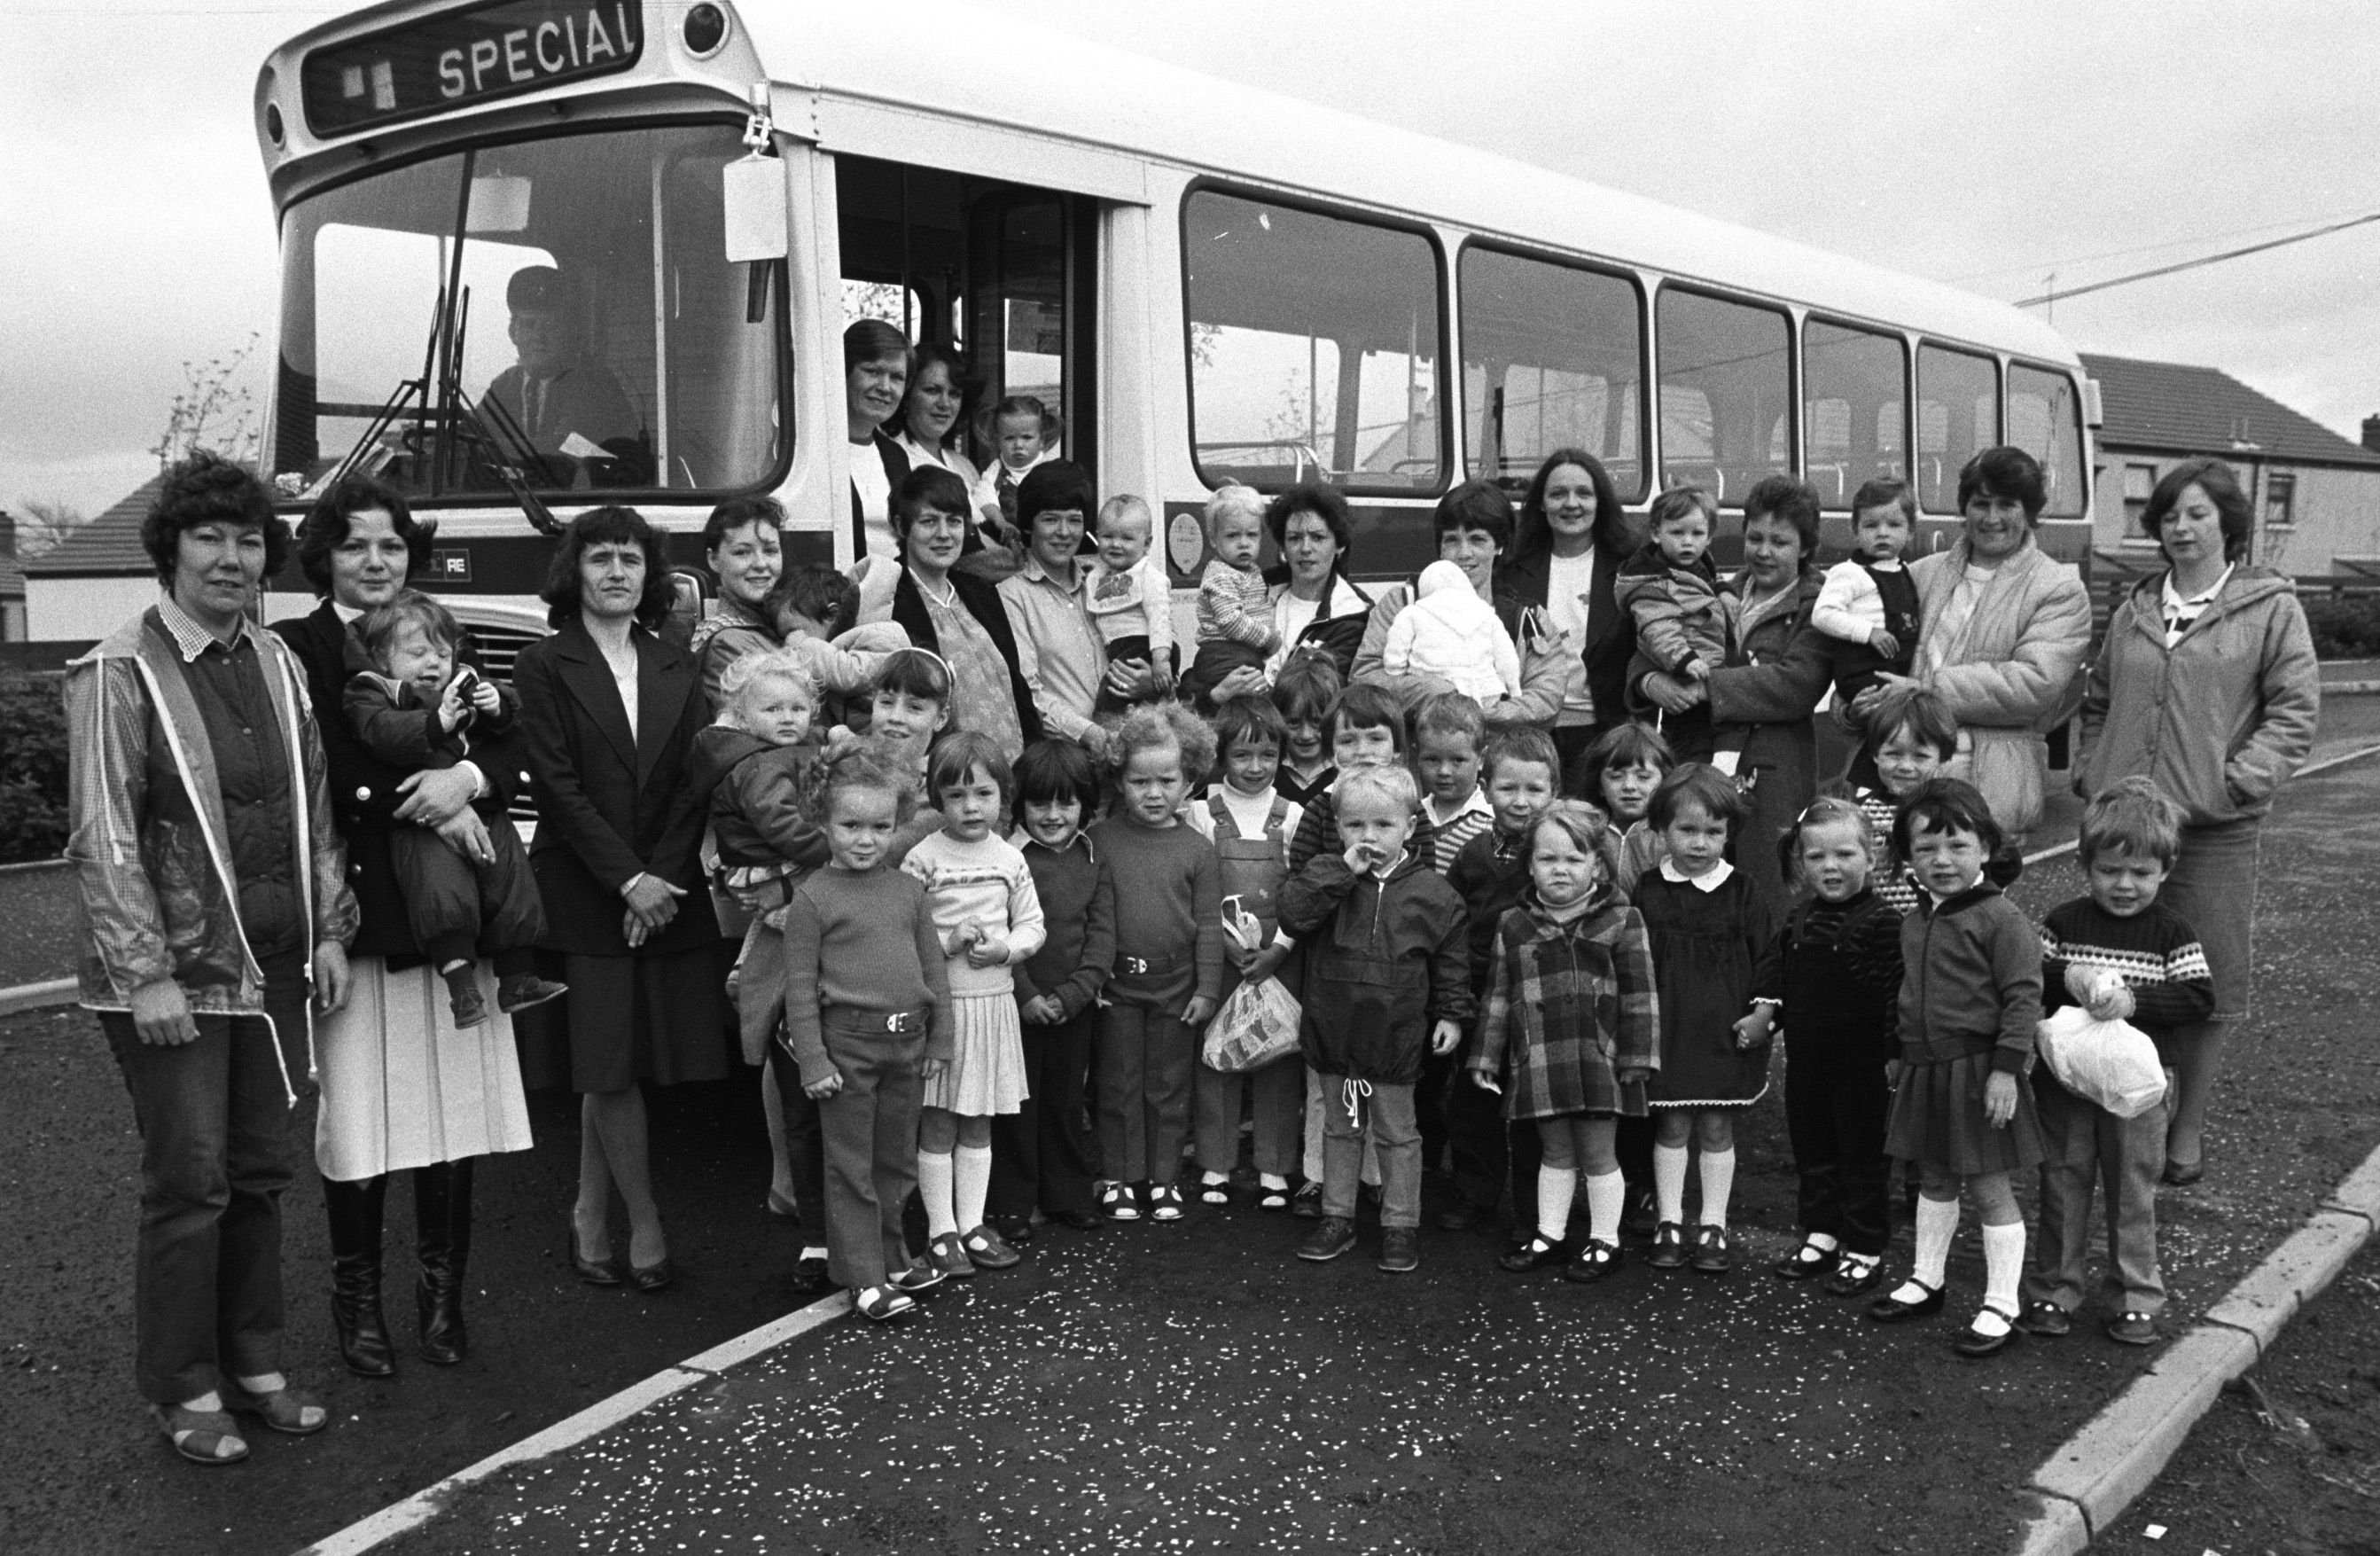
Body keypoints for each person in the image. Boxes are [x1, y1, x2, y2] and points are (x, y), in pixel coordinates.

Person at [67, 450, 356, 1463]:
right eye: (209, 538)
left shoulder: (275, 662)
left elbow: (312, 804)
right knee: (188, 1184)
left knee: (261, 1172)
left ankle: (258, 1362)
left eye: (246, 539)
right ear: (170, 551)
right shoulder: (120, 668)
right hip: (175, 980)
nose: (231, 558)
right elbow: (104, 834)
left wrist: (329, 927)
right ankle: (183, 1388)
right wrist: (143, 971)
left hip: (274, 964)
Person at [275, 474, 530, 1382]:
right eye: (356, 545)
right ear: (325, 556)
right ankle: (358, 1305)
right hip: (359, 911)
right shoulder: (296, 646)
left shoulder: (435, 630)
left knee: (452, 1114)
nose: (376, 562)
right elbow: (329, 764)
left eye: (390, 545)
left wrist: (473, 785)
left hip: (454, 906)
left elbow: (503, 738)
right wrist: (423, 800)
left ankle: (441, 1301)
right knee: (360, 1118)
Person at [2076, 456, 2318, 1185]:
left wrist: (2238, 780)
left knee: (2203, 980)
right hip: (2124, 827)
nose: (2180, 528)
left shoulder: (2270, 607)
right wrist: (2093, 772)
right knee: (2117, 964)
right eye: (2169, 516)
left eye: (2196, 514)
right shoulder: (2132, 609)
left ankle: (2185, 1128)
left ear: (2227, 524)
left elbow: (2295, 711)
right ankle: (2123, 1109)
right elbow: (2096, 700)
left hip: (2213, 830)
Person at [513, 506, 726, 1295]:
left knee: (621, 1060)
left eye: (630, 560)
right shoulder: (544, 665)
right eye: (600, 557)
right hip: (584, 887)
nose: (615, 572)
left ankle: (586, 1211)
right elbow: (557, 788)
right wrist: (626, 880)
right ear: (576, 571)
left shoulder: (676, 662)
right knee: (606, 1065)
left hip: (663, 888)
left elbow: (691, 780)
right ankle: (644, 1222)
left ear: (650, 575)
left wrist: (659, 877)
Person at [2019, 778, 2214, 1348]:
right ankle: (2054, 1288)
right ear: (2085, 865)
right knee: (2062, 1182)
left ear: (2165, 870)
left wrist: (2134, 1000)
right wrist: (2072, 978)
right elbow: (2035, 976)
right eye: (2109, 871)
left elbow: (2199, 998)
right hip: (2065, 1085)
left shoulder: (2171, 932)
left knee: (2133, 1190)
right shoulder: (2064, 922)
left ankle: (2135, 1296)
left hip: (2139, 1093)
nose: (2124, 885)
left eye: (2141, 873)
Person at [776, 747, 956, 1323]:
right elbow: (800, 989)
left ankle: (893, 1255)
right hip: (846, 1051)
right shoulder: (812, 898)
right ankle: (862, 1275)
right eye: (850, 825)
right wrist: (813, 1061)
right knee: (850, 1166)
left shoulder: (907, 891)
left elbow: (934, 975)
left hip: (906, 1046)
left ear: (897, 822)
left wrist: (939, 1042)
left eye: (880, 826)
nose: (865, 839)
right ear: (822, 821)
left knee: (895, 1161)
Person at [1868, 778, 2044, 1359]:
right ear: (1906, 857)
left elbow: (2023, 996)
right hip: (1925, 1070)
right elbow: (1907, 991)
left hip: (1979, 1072)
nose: (1940, 860)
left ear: (1986, 847)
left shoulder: (2001, 918)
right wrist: (1899, 1048)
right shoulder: (1915, 919)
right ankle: (1926, 1278)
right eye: (1924, 849)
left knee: (1991, 1188)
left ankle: (2000, 1303)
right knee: (1933, 1177)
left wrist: (2004, 1071)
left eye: (1956, 846)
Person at [1280, 764, 1473, 1274]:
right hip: (1334, 1025)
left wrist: (1452, 1015)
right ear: (1338, 826)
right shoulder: (1327, 877)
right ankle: (1337, 1218)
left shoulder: (1433, 893)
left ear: (1410, 826)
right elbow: (1294, 915)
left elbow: (1452, 963)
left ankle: (1400, 1225)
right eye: (1355, 826)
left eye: (1383, 826)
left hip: (1395, 1032)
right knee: (1341, 1127)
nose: (1369, 837)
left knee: (1397, 1132)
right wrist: (1340, 871)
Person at [341, 590, 562, 1027]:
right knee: (440, 890)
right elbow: (381, 732)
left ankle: (518, 976)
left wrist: (498, 708)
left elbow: (508, 729)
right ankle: (461, 989)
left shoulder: (460, 683)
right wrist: (437, 721)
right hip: (421, 821)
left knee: (511, 875)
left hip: (481, 808)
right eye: (418, 652)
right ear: (383, 659)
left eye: (443, 653)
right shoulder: (372, 690)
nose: (434, 664)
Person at [1853, 447, 2092, 847]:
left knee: (1968, 907)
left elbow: (2032, 684)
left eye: (2007, 504)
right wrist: (1855, 704)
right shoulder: (1922, 572)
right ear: (1964, 508)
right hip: (1893, 789)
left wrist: (1921, 691)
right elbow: (1871, 655)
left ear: (2030, 512)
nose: (1992, 518)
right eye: (1980, 503)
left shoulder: (2058, 589)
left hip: (1984, 796)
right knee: (1888, 905)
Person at [687, 649, 833, 1291]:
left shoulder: (777, 753)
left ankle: (826, 1227)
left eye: (798, 708)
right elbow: (782, 824)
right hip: (784, 883)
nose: (787, 718)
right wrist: (841, 850)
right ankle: (819, 1227)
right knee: (800, 1066)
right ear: (741, 714)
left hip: (780, 890)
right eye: (772, 708)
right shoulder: (759, 762)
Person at [1469, 802, 1658, 1283]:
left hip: (1600, 1058)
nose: (1560, 869)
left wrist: (1639, 1055)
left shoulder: (1622, 919)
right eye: (1548, 859)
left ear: (1597, 863)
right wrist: (1486, 1056)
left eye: (1574, 859)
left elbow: (1641, 994)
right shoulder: (1513, 924)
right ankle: (1550, 1235)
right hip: (1538, 1058)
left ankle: (1605, 1241)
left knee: (1598, 1153)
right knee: (1555, 1151)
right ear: (1530, 864)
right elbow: (1497, 994)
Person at [1647, 474, 1832, 917]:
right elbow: (1650, 642)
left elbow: (1795, 685)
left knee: (1767, 890)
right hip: (1701, 756)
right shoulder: (1714, 588)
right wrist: (1650, 683)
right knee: (1694, 884)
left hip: (1773, 772)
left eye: (1780, 542)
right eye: (1755, 538)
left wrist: (1706, 685)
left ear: (1805, 548)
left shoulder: (1818, 606)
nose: (1764, 551)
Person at [1743, 797, 1904, 1298]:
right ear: (1801, 861)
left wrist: (1897, 1053)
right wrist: (1765, 1015)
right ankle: (1822, 1232)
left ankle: (1865, 1247)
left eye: (1845, 855)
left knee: (1863, 1155)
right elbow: (1778, 973)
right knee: (1813, 1147)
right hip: (1807, 1059)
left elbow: (1898, 994)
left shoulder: (1884, 923)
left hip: (1863, 1064)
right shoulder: (1800, 916)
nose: (1830, 867)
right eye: (1817, 858)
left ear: (1872, 857)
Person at [903, 732, 1047, 1278]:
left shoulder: (1010, 858)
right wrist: (949, 942)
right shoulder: (922, 859)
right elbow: (903, 934)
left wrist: (1005, 948)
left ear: (1001, 796)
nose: (970, 807)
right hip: (944, 1008)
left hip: (994, 1006)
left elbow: (1032, 925)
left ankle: (971, 1225)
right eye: (957, 795)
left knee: (979, 1119)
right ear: (937, 798)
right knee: (938, 1118)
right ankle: (940, 1231)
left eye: (983, 794)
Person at [1634, 765, 1778, 1277]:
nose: (1699, 843)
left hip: (1724, 1027)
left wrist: (1763, 1014)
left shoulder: (1744, 892)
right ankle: (1670, 1220)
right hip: (1667, 1029)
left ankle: (1714, 1221)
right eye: (1686, 830)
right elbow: (1630, 960)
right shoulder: (1648, 891)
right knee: (1672, 1123)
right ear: (1661, 829)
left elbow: (1769, 960)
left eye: (1713, 832)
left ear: (1729, 833)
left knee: (1717, 1124)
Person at [1089, 702, 1224, 1224]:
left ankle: (1164, 1179)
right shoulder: (1100, 841)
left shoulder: (1197, 849)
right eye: (1139, 781)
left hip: (1177, 986)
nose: (1153, 792)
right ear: (1120, 779)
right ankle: (1120, 1177)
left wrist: (1206, 990)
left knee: (1168, 1086)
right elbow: (1089, 917)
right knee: (1119, 1084)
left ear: (1189, 778)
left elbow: (1209, 925)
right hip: (1117, 986)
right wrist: (1094, 977)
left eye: (1166, 780)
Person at [990, 739, 1114, 1239]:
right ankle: (1013, 1203)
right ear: (1020, 805)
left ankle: (1067, 1194)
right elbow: (997, 929)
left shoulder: (1092, 858)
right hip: (1017, 1003)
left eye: (1066, 802)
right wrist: (1027, 995)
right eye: (1040, 803)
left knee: (1065, 1103)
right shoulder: (1008, 857)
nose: (1054, 814)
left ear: (1086, 803)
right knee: (1017, 1105)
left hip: (1073, 1005)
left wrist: (1074, 995)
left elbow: (1102, 934)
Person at [1442, 729, 1563, 1237]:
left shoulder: (1562, 852)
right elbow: (1451, 923)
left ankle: (1537, 1212)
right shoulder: (1471, 854)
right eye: (1509, 788)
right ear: (1486, 788)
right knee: (1475, 1100)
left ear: (1554, 791)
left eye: (1535, 790)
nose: (1521, 801)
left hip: (1539, 995)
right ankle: (1476, 1192)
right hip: (1478, 993)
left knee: (1538, 1107)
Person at [1186, 697, 1305, 1211]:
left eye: (1268, 754)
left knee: (1277, 1054)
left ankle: (1275, 1166)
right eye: (1242, 756)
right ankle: (1215, 1161)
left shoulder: (1294, 815)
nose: (1255, 768)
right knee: (1219, 1054)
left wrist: (1277, 952)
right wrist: (1227, 949)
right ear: (1221, 757)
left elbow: (1302, 895)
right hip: (1222, 953)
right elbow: (1194, 890)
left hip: (1278, 958)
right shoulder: (1198, 812)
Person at [1352, 479, 1569, 731]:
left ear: (1499, 546)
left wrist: (1475, 710)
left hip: (1496, 762)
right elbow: (1364, 678)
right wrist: (1436, 693)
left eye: (1477, 540)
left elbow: (1546, 699)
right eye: (1452, 540)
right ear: (1440, 548)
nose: (1464, 553)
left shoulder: (1529, 618)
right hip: (1421, 759)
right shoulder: (1402, 603)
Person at [883, 465, 1041, 764]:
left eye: (954, 522)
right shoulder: (890, 599)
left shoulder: (981, 592)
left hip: (1011, 774)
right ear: (902, 527)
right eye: (929, 522)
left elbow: (1017, 687)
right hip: (945, 782)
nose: (944, 534)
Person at [1499, 450, 1642, 770]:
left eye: (1584, 493)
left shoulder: (1630, 566)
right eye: (1558, 494)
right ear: (1541, 503)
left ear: (1600, 502)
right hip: (1531, 735)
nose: (1571, 504)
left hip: (1606, 735)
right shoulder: (1512, 568)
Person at [1200, 482, 1379, 706]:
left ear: (1340, 545)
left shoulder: (1355, 615)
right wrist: (1215, 696)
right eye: (1294, 538)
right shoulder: (1253, 589)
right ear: (1283, 548)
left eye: (1317, 537)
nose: (1305, 548)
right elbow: (1198, 671)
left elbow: (1326, 697)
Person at [483, 265, 646, 485]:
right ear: (513, 333)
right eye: (530, 325)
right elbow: (475, 430)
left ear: (568, 331)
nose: (539, 338)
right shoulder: (505, 385)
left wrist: (488, 445)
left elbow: (565, 446)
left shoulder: (593, 384)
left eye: (550, 325)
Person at [1616, 486, 1741, 769]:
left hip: (1711, 674)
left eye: (1697, 534)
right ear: (1656, 533)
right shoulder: (1652, 582)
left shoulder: (1699, 565)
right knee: (1684, 754)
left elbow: (1711, 579)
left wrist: (1724, 591)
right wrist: (1684, 659)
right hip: (1684, 673)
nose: (1688, 542)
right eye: (1677, 533)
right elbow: (1658, 627)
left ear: (1709, 537)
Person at [1832, 685, 1958, 918]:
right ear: (1875, 754)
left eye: (1920, 756)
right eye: (1893, 754)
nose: (1905, 766)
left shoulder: (1954, 811)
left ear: (1943, 758)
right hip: (1875, 927)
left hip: (1938, 927)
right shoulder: (1859, 814)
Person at [1810, 479, 1922, 705]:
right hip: (1863, 673)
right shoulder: (1850, 572)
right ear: (1856, 531)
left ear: (1910, 531)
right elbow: (1822, 615)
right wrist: (1868, 632)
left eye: (1893, 525)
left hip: (1896, 671)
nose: (1882, 533)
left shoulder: (1906, 572)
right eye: (1871, 526)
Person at [1181, 484, 1283, 708]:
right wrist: (1269, 639)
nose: (1244, 543)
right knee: (1248, 703)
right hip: (1223, 654)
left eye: (1252, 534)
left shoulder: (1248, 571)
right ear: (1214, 540)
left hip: (1239, 652)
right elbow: (1231, 621)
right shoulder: (1220, 574)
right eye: (1233, 535)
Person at [1383, 560, 1522, 708]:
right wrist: (1515, 692)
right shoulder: (1486, 613)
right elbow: (1508, 659)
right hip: (1485, 693)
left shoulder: (1412, 613)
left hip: (1433, 694)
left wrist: (1397, 678)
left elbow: (1395, 655)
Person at [1084, 493, 1174, 712]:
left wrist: (1161, 659)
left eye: (1127, 538)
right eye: (1107, 536)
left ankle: (1110, 729)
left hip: (1145, 646)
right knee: (1129, 699)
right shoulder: (1097, 576)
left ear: (1147, 543)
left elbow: (1160, 618)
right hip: (1119, 649)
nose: (1116, 544)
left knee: (1110, 696)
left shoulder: (1147, 577)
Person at [844, 319, 914, 572]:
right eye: (872, 371)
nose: (885, 388)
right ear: (845, 372)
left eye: (897, 377)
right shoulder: (817, 452)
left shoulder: (896, 456)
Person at [1578, 722, 1673, 896]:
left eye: (1643, 777)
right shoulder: (1586, 830)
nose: (1629, 786)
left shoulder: (1669, 834)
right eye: (1616, 777)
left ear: (1665, 781)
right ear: (1599, 785)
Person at [1414, 692, 1494, 873]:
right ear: (1417, 756)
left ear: (1481, 758)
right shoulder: (1411, 816)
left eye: (1458, 760)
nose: (1444, 771)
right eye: (1432, 760)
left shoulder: (1490, 824)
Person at [891, 342, 983, 489]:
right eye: (932, 391)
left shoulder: (964, 467)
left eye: (954, 394)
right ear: (906, 395)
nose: (944, 404)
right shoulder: (889, 459)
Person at [971, 394, 1062, 539]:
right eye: (1009, 438)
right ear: (998, 440)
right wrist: (1000, 522)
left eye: (1027, 437)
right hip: (1007, 539)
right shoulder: (997, 470)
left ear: (1042, 440)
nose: (1018, 445)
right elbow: (983, 497)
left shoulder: (1049, 471)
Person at [1270, 654, 1342, 808]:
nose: (1306, 735)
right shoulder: (1265, 770)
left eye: (1317, 722)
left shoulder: (1345, 772)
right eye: (1293, 723)